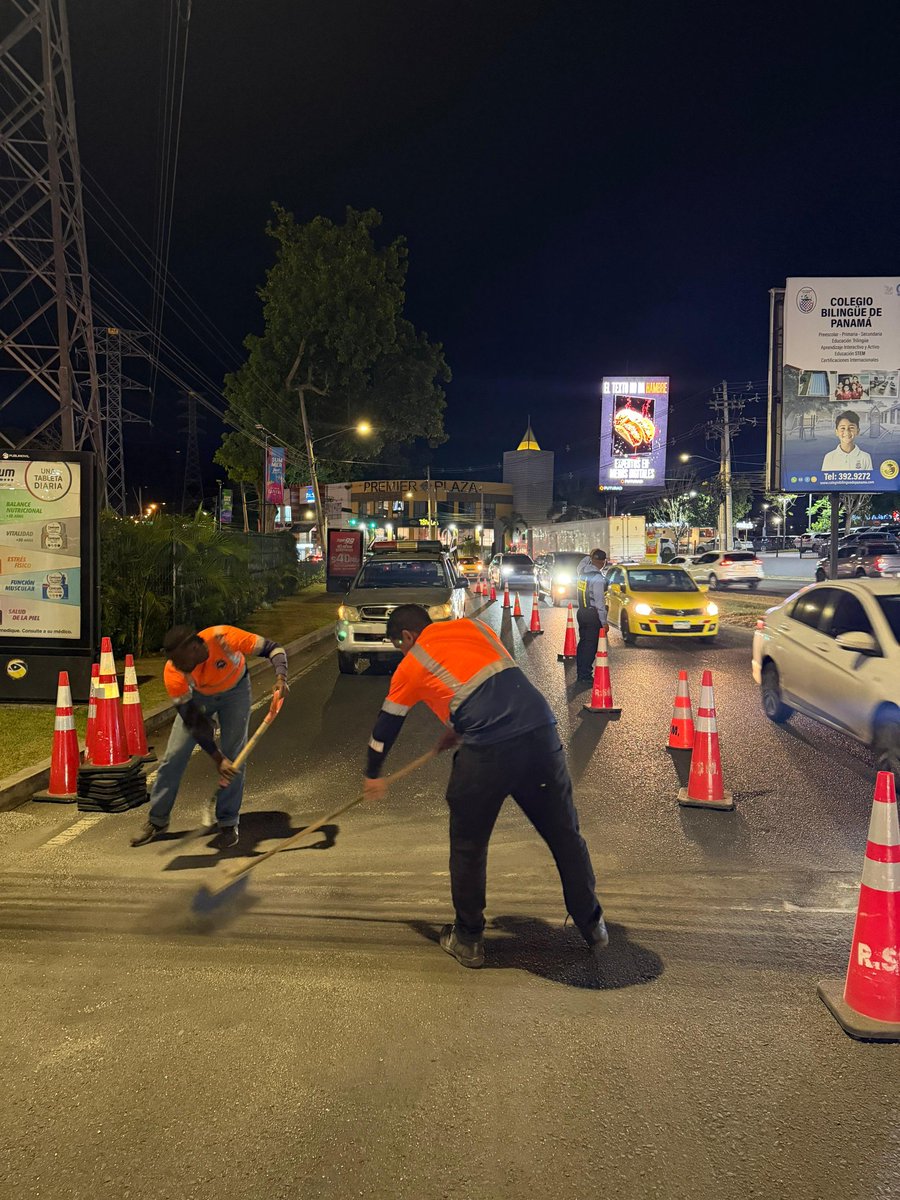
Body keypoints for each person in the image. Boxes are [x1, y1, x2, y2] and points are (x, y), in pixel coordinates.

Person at [362, 605, 607, 969]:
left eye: (399, 645)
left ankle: (468, 938)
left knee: (468, 844)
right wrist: (458, 727)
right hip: (539, 731)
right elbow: (489, 683)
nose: (401, 651)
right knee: (564, 834)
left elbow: (384, 732)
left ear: (408, 637)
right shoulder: (474, 627)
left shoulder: (412, 662)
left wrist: (373, 775)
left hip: (488, 750)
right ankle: (593, 925)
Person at [130, 624, 287, 849]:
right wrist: (216, 758)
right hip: (199, 698)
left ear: (194, 647)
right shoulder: (173, 673)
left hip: (236, 691)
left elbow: (274, 649)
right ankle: (157, 820)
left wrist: (281, 678)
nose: (175, 665)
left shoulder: (223, 637)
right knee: (174, 755)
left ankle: (228, 822)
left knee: (235, 757)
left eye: (178, 659)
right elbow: (194, 723)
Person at [575, 548, 609, 682]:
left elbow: (583, 561)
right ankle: (585, 675)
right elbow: (600, 604)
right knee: (590, 646)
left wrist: (591, 555)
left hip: (581, 612)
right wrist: (604, 622)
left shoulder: (582, 570)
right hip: (592, 615)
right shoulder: (598, 579)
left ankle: (580, 672)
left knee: (583, 644)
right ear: (603, 562)